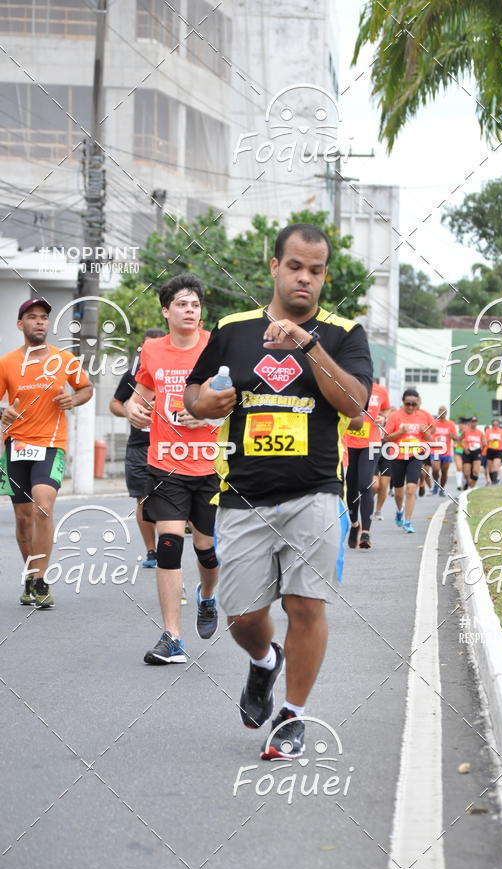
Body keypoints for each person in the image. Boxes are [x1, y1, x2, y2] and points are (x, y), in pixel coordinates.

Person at [184, 222, 372, 759]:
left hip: (314, 494)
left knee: (305, 606)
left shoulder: (342, 334)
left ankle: (292, 716)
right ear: (274, 267)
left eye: (315, 271)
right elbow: (194, 391)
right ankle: (265, 661)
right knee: (242, 618)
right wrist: (204, 404)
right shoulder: (234, 329)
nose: (304, 279)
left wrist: (308, 344)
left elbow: (354, 403)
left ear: (324, 276)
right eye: (295, 267)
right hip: (242, 497)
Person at [125, 274, 221, 662]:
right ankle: (172, 637)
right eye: (182, 304)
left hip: (211, 463)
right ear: (166, 311)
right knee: (168, 545)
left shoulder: (216, 347)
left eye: (195, 305)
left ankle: (208, 596)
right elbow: (141, 393)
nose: (190, 311)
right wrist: (134, 408)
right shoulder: (151, 350)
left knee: (206, 550)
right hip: (165, 462)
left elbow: (238, 399)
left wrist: (207, 417)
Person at [0, 297, 93, 608]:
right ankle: (30, 575)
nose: (39, 322)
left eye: (43, 317)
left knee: (42, 506)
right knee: (23, 517)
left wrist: (74, 400)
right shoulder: (7, 363)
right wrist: (3, 412)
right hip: (17, 446)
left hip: (52, 445)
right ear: (20, 324)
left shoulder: (64, 358)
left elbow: (86, 388)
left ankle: (40, 579)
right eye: (32, 317)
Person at [109, 327, 166, 567]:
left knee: (166, 500)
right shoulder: (132, 376)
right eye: (145, 348)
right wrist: (130, 412)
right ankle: (151, 551)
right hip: (138, 447)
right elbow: (114, 403)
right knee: (142, 499)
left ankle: (168, 546)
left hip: (167, 446)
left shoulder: (172, 374)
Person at [344, 380, 390, 549]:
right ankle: (355, 524)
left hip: (372, 443)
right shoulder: (346, 384)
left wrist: (383, 418)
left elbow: (386, 408)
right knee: (351, 487)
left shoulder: (380, 390)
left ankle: (366, 532)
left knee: (366, 484)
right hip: (349, 441)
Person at [383, 388, 433, 534]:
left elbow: (429, 439)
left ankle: (408, 521)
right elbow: (386, 438)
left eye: (413, 404)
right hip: (398, 455)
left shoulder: (423, 416)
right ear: (403, 402)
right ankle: (399, 510)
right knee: (399, 493)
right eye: (408, 404)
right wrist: (400, 433)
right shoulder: (395, 416)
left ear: (417, 403)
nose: (410, 407)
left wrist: (425, 432)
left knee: (411, 489)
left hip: (415, 455)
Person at [430, 406, 457, 496]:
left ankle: (441, 488)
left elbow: (456, 438)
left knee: (444, 472)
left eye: (444, 411)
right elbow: (427, 434)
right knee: (435, 469)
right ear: (438, 412)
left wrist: (451, 436)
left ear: (446, 413)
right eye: (440, 411)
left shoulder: (451, 424)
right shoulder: (433, 423)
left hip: (446, 451)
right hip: (435, 450)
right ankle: (436, 484)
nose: (442, 413)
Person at [459, 416, 485, 488]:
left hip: (477, 452)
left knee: (476, 472)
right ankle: (468, 483)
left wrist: (482, 447)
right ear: (470, 423)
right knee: (466, 473)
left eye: (475, 422)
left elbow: (484, 442)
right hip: (467, 452)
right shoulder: (465, 431)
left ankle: (471, 487)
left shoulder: (480, 432)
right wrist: (464, 448)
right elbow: (459, 440)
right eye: (472, 422)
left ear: (477, 423)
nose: (474, 423)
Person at [484, 418, 502, 484]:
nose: (495, 426)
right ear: (492, 424)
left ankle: (494, 482)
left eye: (496, 425)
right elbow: (485, 440)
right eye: (494, 425)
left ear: (499, 424)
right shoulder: (488, 431)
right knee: (490, 468)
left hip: (498, 450)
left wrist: (499, 440)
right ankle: (492, 480)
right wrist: (490, 440)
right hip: (490, 450)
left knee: (495, 467)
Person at [453, 418, 466, 492]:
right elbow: (454, 440)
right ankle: (459, 484)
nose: (460, 426)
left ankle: (464, 482)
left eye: (462, 425)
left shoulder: (467, 433)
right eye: (459, 425)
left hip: (466, 452)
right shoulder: (457, 433)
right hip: (458, 451)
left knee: (465, 469)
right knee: (459, 467)